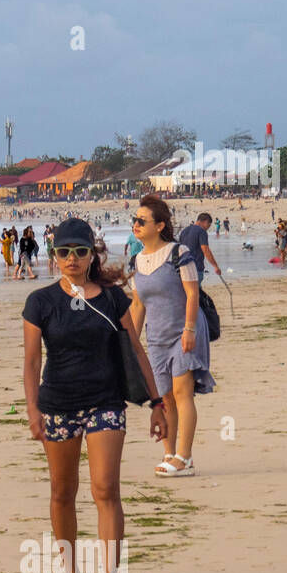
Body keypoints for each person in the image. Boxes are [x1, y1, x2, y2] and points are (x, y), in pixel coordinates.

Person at [22, 217, 167, 573]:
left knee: (105, 488)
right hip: (57, 405)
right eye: (64, 252)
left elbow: (137, 350)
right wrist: (33, 410)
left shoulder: (113, 298)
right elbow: (32, 361)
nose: (72, 259)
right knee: (62, 492)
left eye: (80, 252)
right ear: (54, 256)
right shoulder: (40, 302)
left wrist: (158, 404)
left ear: (92, 255)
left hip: (105, 402)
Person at [128, 195, 214, 478]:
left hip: (185, 331)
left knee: (181, 392)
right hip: (157, 337)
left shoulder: (179, 252)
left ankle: (185, 457)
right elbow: (138, 305)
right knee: (164, 397)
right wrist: (130, 343)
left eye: (142, 220)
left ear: (160, 225)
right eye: (134, 220)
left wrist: (189, 329)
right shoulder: (136, 260)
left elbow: (192, 294)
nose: (136, 224)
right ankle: (168, 453)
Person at [177, 212, 222, 283]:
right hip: (196, 267)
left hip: (183, 268)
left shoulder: (184, 231)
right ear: (205, 222)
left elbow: (179, 249)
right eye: (208, 225)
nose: (207, 228)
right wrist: (215, 266)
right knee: (196, 292)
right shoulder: (201, 231)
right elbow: (205, 249)